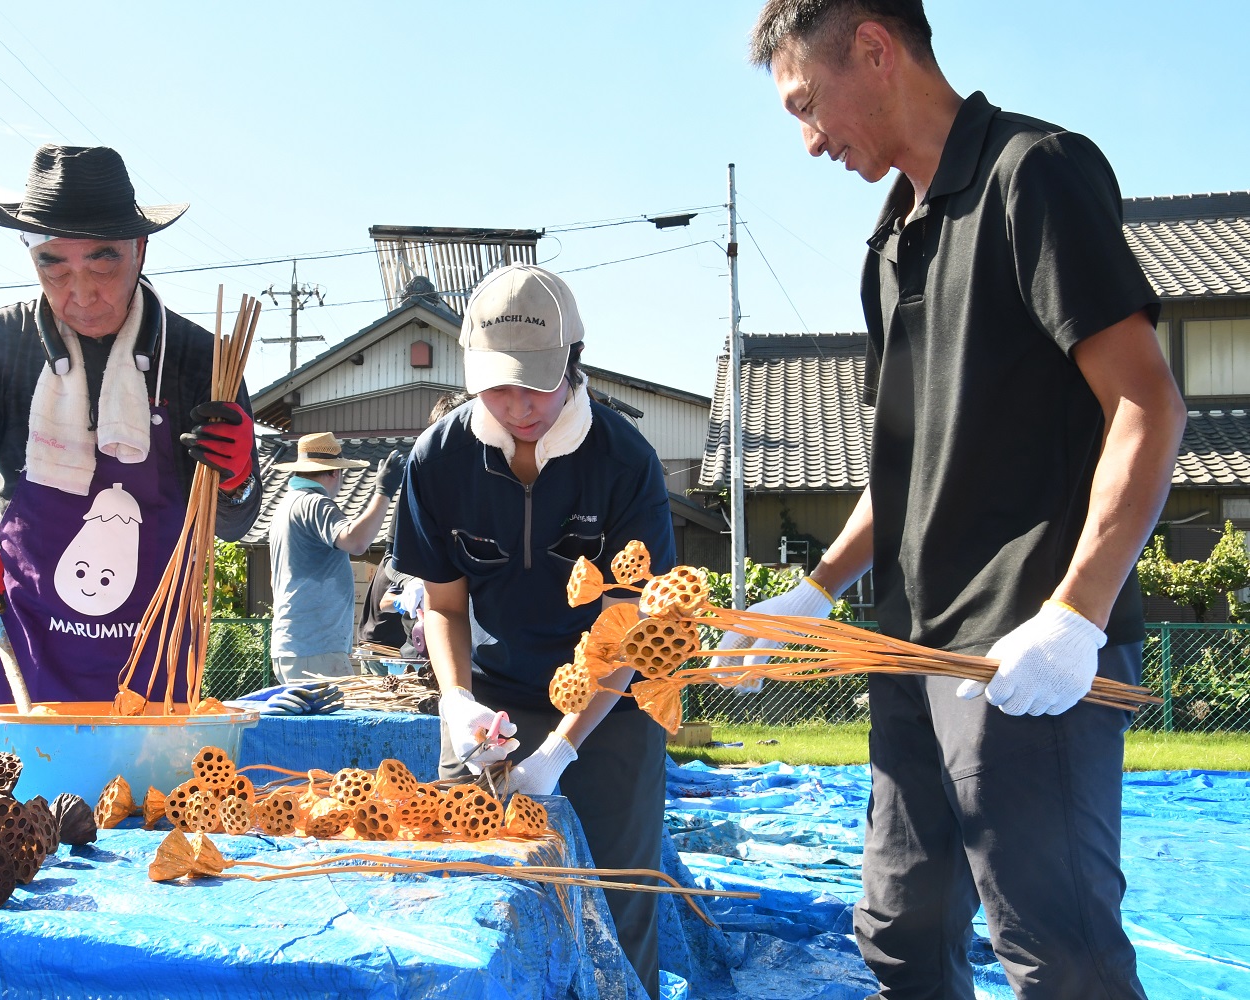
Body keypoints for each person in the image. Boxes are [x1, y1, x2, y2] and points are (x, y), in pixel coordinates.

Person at [744, 3, 1186, 998]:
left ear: (873, 46)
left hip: (1027, 650)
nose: (810, 143)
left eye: (808, 106)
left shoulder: (1032, 174)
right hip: (906, 650)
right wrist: (814, 591)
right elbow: (901, 468)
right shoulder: (891, 241)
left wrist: (1076, 615)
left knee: (1057, 954)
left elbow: (1147, 402)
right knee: (899, 932)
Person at [0, 146, 263, 774]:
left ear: (140, 251)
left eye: (102, 259)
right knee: (8, 829)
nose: (81, 291)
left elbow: (232, 524)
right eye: (53, 264)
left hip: (153, 665)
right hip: (25, 643)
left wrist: (237, 477)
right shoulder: (5, 343)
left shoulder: (199, 358)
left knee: (150, 828)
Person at [393, 264, 675, 997]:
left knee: (617, 898)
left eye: (536, 384)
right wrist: (456, 701)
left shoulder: (624, 463)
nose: (517, 405)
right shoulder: (440, 458)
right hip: (493, 702)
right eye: (496, 385)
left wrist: (562, 748)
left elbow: (631, 630)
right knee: (470, 887)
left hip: (611, 708)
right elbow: (447, 607)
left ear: (573, 361)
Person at [268, 432, 404, 682]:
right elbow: (357, 541)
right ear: (334, 472)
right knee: (338, 720)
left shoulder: (287, 505)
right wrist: (384, 491)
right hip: (315, 647)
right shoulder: (314, 503)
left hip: (296, 645)